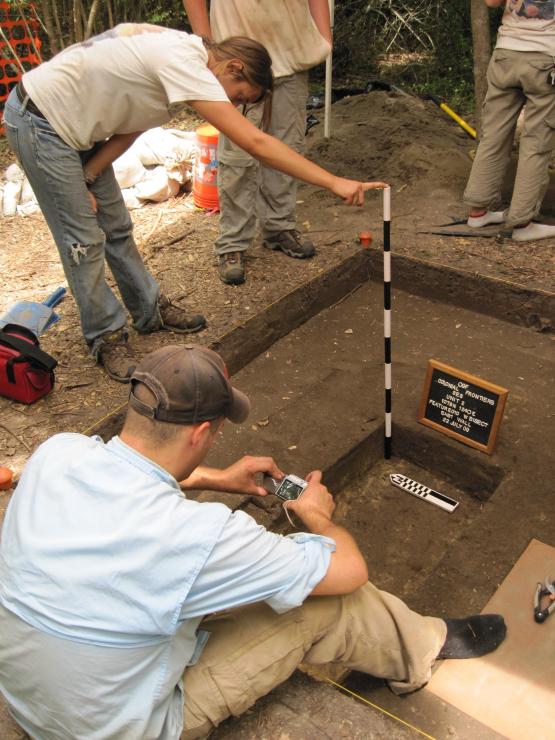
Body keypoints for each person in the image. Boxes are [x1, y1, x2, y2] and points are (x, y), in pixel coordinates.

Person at [0, 344, 507, 739]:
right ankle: (422, 651)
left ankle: (413, 641)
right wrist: (319, 517)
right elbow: (350, 572)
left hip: (32, 697)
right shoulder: (203, 537)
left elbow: (127, 483)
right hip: (116, 728)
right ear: (201, 431)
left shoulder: (57, 453)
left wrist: (214, 478)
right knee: (327, 603)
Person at [3, 23, 386, 381]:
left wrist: (89, 175)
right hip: (42, 122)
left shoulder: (183, 60)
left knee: (116, 226)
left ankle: (148, 311)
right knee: (83, 241)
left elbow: (131, 124)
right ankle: (106, 336)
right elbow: (256, 143)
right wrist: (333, 182)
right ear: (233, 67)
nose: (233, 106)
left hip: (80, 131)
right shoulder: (185, 62)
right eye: (239, 95)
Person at [183, 1, 333, 285]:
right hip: (239, 60)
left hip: (291, 53)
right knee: (238, 156)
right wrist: (207, 43)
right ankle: (233, 243)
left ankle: (279, 227)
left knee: (287, 149)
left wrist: (324, 38)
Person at [465, 0, 555, 241]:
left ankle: (477, 211)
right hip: (545, 57)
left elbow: (491, 1)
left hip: (506, 55)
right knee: (536, 143)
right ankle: (523, 224)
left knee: (493, 135)